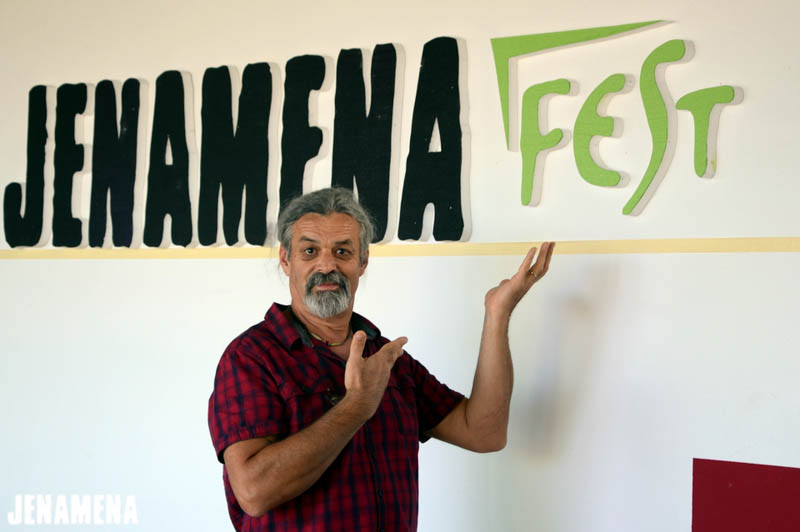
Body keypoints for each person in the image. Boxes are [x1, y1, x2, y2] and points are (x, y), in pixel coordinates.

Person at [208, 188, 554, 532]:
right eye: (310, 251)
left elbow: (484, 432)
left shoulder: (387, 359)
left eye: (342, 251)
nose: (326, 265)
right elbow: (253, 492)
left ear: (362, 262)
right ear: (286, 260)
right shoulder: (252, 358)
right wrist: (357, 406)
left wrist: (497, 314)